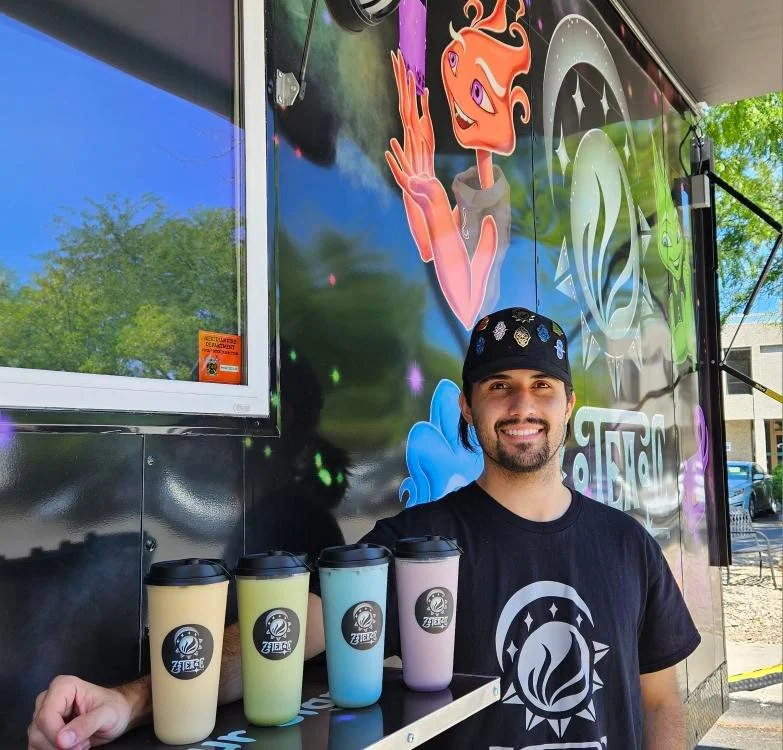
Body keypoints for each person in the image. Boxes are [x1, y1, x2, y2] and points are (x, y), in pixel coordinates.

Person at [28, 307, 700, 750]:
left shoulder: (626, 545)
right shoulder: (410, 545)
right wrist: (129, 700)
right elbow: (280, 638)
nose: (521, 404)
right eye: (497, 387)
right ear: (467, 407)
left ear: (567, 405)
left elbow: (660, 702)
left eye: (540, 386)